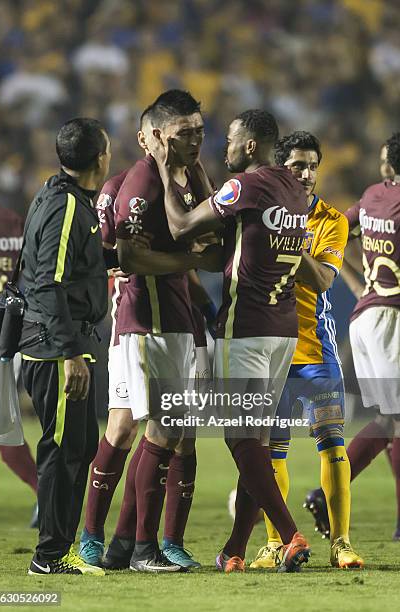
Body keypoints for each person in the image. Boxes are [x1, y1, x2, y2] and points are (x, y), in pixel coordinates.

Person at [150, 109, 311, 573]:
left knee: (238, 435)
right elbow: (235, 244)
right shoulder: (293, 190)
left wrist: (165, 167)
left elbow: (181, 225)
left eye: (231, 141)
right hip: (283, 331)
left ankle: (289, 534)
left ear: (252, 146)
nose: (225, 149)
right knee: (255, 443)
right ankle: (234, 550)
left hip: (245, 327)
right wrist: (202, 177)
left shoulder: (247, 186)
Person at [79, 100, 216, 571]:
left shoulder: (185, 178)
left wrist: (204, 302)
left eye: (199, 130)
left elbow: (211, 245)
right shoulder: (133, 184)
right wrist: (190, 259)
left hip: (178, 322)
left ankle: (135, 544)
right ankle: (113, 540)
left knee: (176, 431)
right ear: (151, 136)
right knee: (134, 427)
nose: (194, 139)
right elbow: (123, 258)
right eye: (184, 132)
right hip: (142, 324)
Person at [247, 131, 363, 570]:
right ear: (280, 168)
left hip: (316, 352)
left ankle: (341, 543)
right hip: (271, 351)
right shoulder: (258, 214)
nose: (307, 173)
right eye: (297, 165)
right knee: (272, 450)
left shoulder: (331, 220)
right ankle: (277, 542)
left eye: (313, 165)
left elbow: (322, 280)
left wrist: (288, 240)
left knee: (332, 441)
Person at [20, 118, 112, 576]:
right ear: (101, 157)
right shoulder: (68, 207)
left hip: (60, 339)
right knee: (62, 448)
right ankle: (49, 556)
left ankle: (62, 550)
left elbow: (65, 268)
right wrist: (69, 352)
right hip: (56, 346)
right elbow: (47, 281)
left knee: (80, 444)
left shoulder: (58, 196)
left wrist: (111, 259)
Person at [306, 136, 400, 542]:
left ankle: (392, 519)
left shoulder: (373, 196)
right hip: (390, 319)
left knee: (388, 421)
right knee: (391, 421)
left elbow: (342, 231)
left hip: (365, 318)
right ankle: (326, 498)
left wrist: (356, 282)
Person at [0, 156, 38, 527]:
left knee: (1, 432)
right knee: (0, 427)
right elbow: (30, 274)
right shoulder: (13, 222)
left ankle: (45, 493)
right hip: (8, 334)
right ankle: (45, 494)